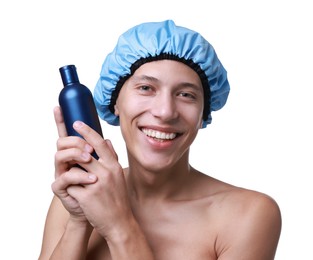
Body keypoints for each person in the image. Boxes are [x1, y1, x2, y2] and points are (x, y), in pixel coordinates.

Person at [38, 20, 281, 259]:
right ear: (115, 102)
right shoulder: (76, 197)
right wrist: (79, 222)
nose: (165, 111)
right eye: (145, 88)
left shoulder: (248, 215)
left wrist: (119, 226)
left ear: (203, 114)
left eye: (186, 94)